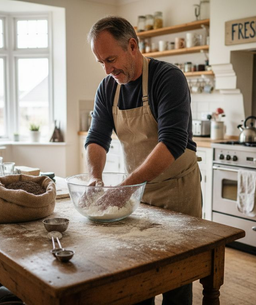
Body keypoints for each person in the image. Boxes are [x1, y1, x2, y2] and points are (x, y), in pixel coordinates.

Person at [85, 16, 202, 305]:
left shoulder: (168, 78)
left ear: (133, 46)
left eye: (111, 59)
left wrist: (125, 187)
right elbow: (97, 138)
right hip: (137, 194)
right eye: (101, 62)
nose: (108, 69)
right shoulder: (107, 88)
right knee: (137, 277)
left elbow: (172, 142)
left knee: (175, 280)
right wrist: (94, 177)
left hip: (177, 194)